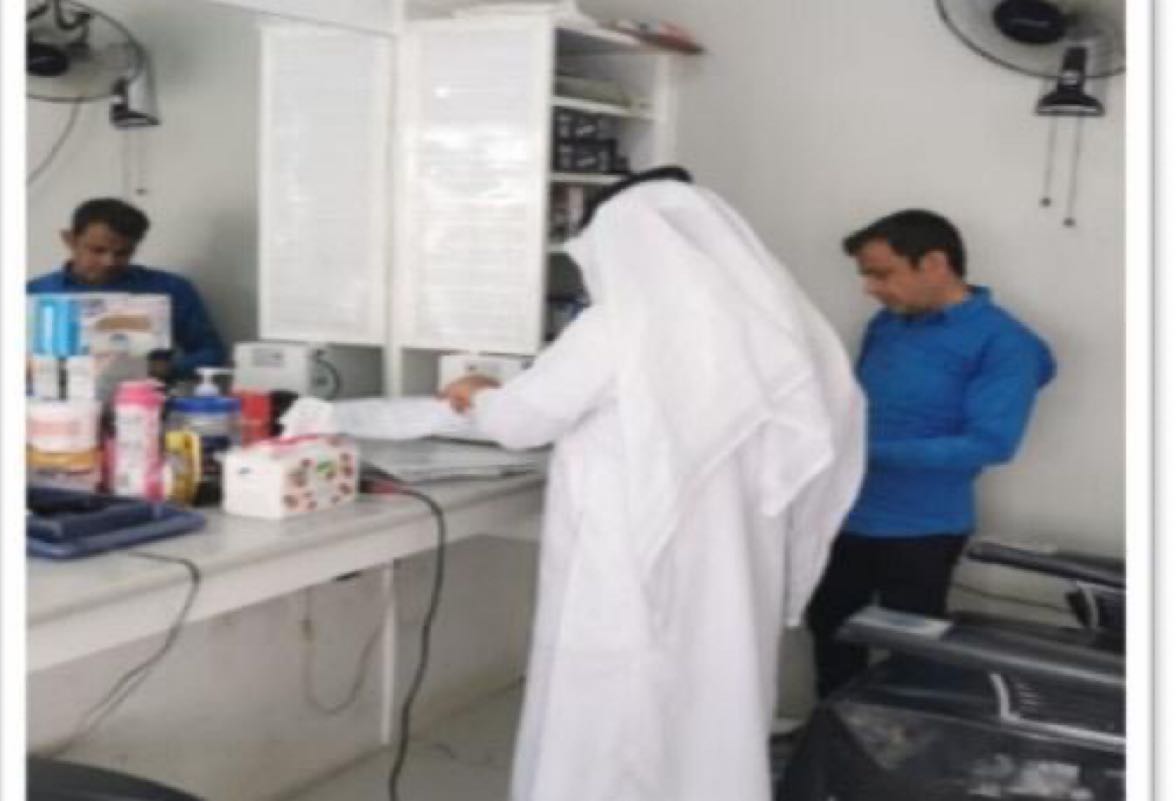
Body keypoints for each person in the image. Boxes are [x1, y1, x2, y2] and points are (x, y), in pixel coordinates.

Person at [433, 169, 866, 801]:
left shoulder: (618, 328)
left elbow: (520, 423)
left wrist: (478, 393)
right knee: (710, 703)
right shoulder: (769, 328)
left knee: (620, 710)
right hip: (732, 571)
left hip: (632, 564)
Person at [807, 208, 1056, 699]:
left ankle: (907, 748)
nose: (871, 288)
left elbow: (991, 444)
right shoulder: (887, 324)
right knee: (831, 635)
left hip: (920, 530)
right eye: (867, 276)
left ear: (935, 263)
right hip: (844, 515)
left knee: (912, 660)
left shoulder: (1005, 343)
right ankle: (830, 740)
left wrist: (862, 450)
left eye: (882, 274)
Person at [27, 197, 226, 380]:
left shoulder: (170, 288)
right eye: (97, 250)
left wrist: (163, 368)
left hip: (143, 397)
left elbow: (212, 353)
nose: (109, 262)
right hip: (52, 399)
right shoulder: (35, 292)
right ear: (70, 240)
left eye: (123, 253)